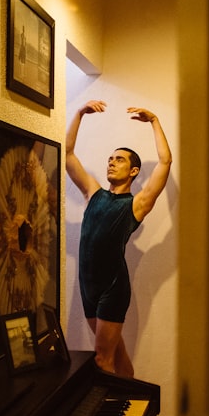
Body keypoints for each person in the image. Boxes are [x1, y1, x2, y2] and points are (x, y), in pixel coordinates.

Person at [65, 100, 172, 377]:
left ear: (133, 171)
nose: (112, 162)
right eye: (110, 158)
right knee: (116, 352)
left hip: (113, 289)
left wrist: (155, 120)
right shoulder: (93, 193)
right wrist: (78, 114)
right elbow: (66, 153)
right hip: (88, 288)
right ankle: (135, 405)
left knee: (102, 359)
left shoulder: (136, 204)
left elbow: (165, 162)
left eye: (119, 159)